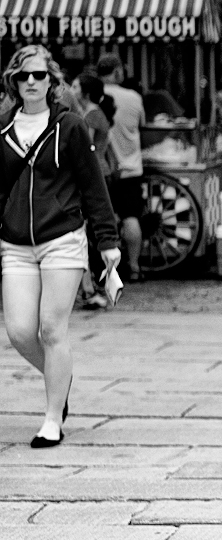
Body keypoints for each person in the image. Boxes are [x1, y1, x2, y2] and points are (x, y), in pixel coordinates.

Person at [1, 44, 121, 447]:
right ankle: (60, 378)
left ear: (51, 80)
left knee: (52, 329)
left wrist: (107, 241)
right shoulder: (2, 128)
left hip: (62, 239)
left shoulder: (69, 126)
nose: (31, 82)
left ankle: (52, 419)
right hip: (15, 242)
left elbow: (93, 185)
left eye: (39, 75)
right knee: (20, 332)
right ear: (13, 82)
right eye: (23, 76)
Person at [96, 53, 145, 282]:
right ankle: (134, 266)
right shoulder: (134, 97)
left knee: (102, 220)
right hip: (130, 168)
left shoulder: (93, 97)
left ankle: (105, 269)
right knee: (131, 217)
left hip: (102, 169)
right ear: (117, 72)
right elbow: (142, 124)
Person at [72, 72, 116, 311]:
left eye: (75, 86)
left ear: (85, 92)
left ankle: (89, 286)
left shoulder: (89, 116)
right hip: (103, 171)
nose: (71, 89)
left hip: (90, 175)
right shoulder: (99, 114)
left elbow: (84, 149)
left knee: (83, 230)